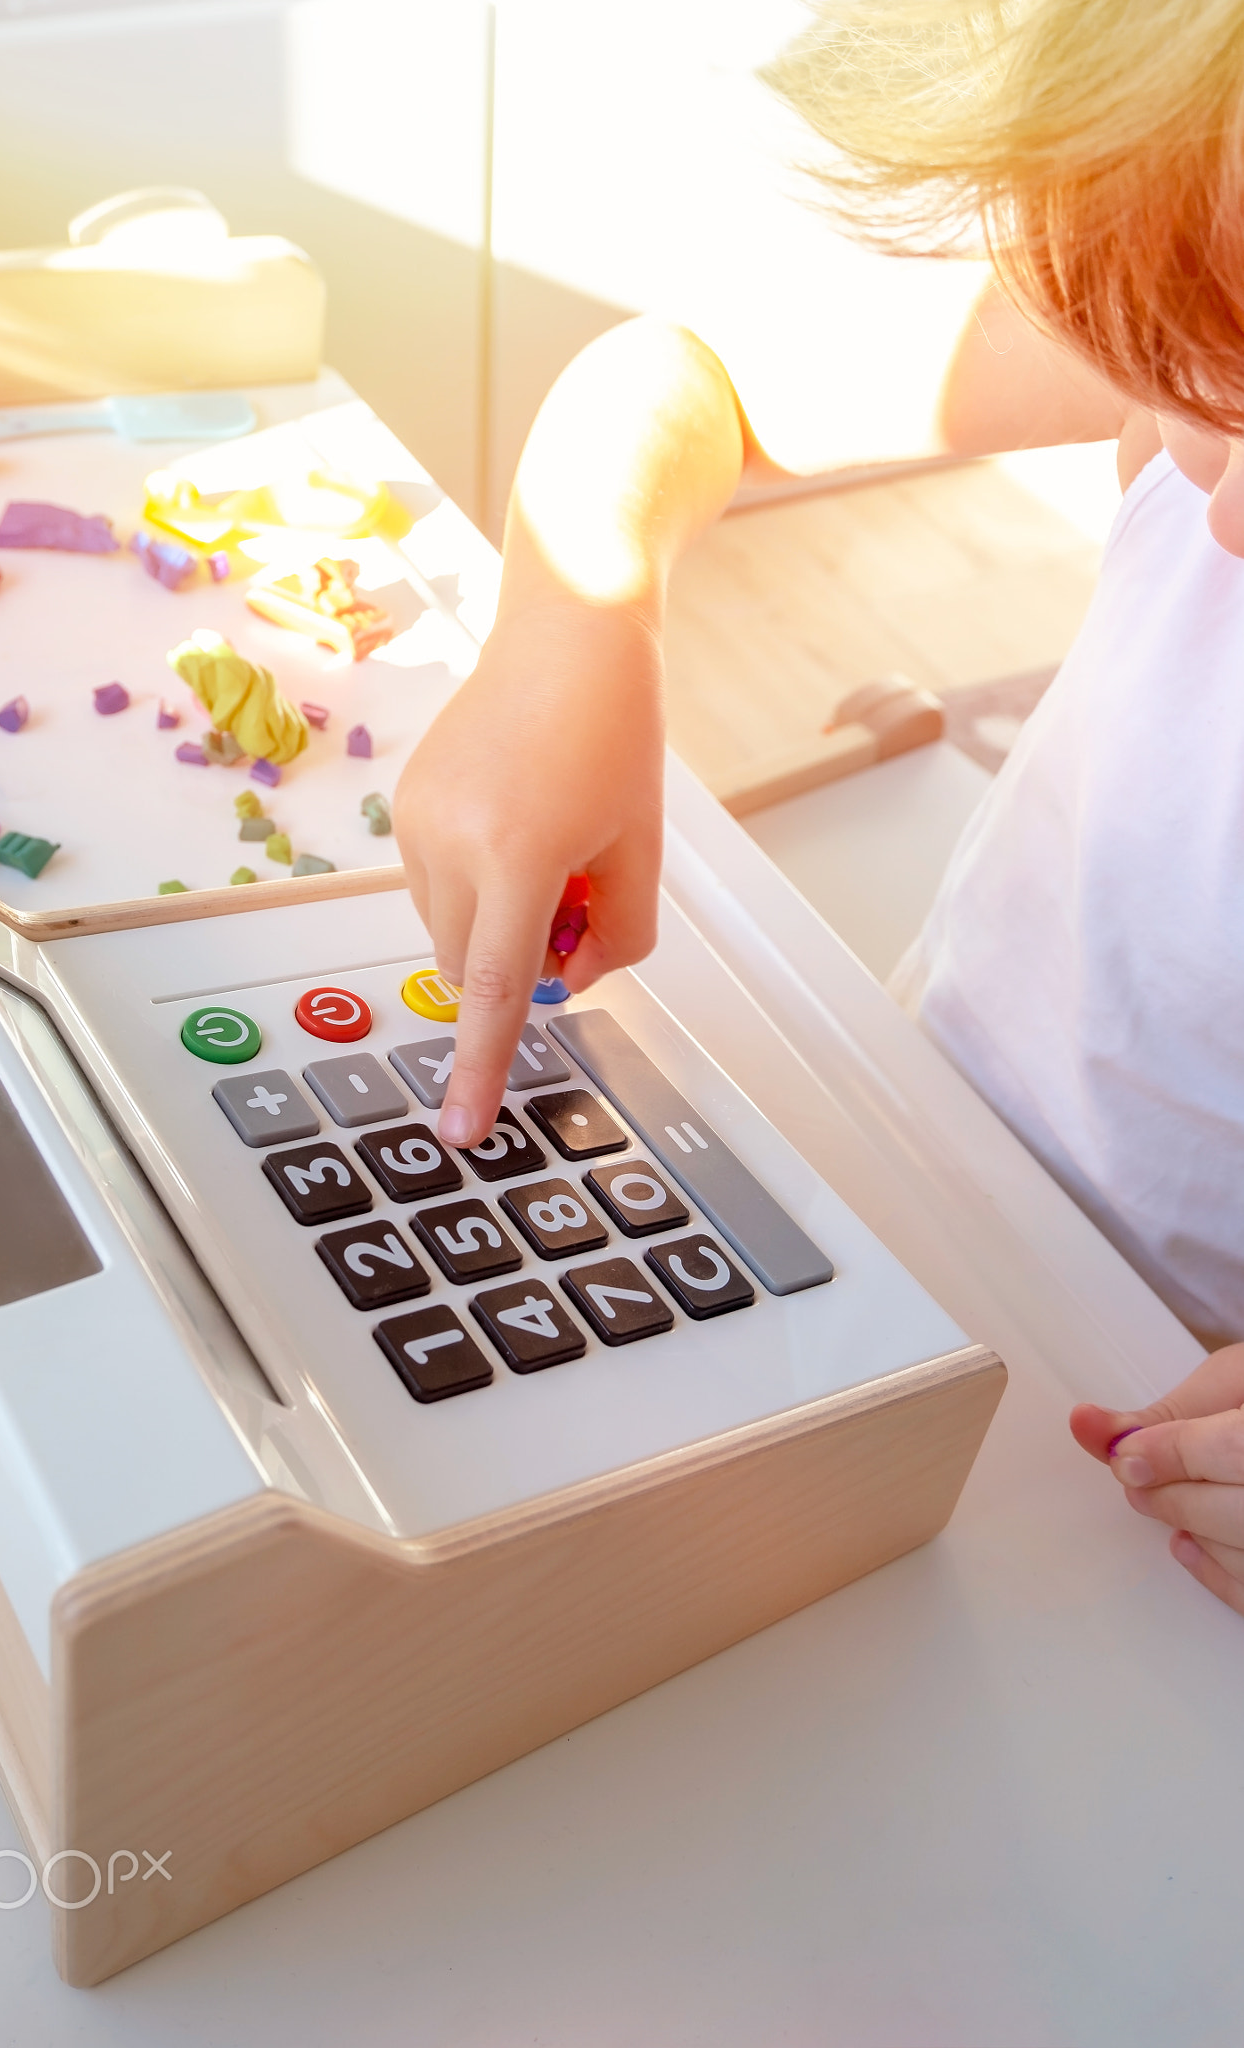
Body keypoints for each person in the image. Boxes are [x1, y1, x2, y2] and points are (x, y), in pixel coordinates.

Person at [393, 0, 1244, 1616]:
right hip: (906, 1163)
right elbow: (694, 365)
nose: (1217, 513)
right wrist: (574, 618)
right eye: (1199, 384)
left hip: (1144, 1484)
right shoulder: (1201, 271)